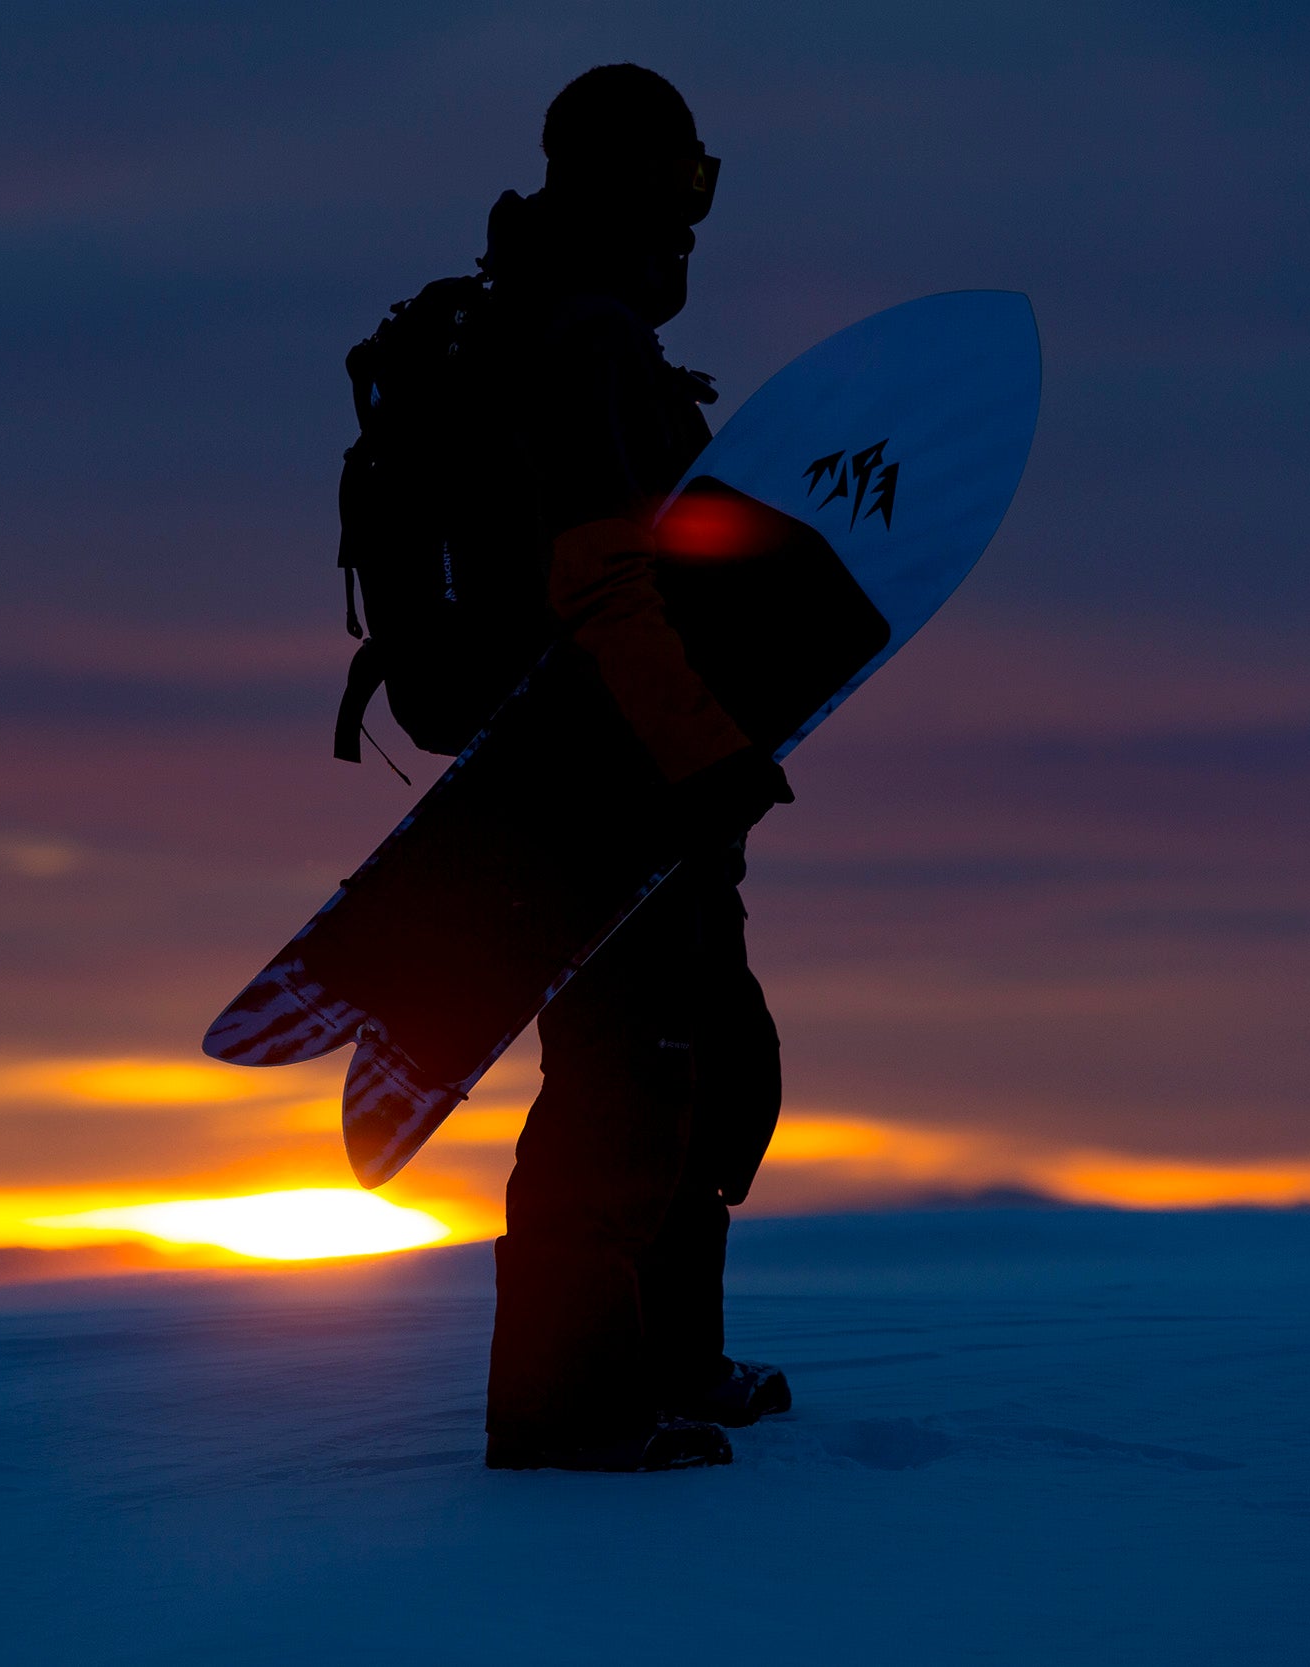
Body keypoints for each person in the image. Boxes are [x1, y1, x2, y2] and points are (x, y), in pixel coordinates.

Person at [469, 64, 796, 1473]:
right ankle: (563, 1407)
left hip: (638, 772)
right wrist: (702, 753)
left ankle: (671, 1360)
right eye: (680, 186)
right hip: (611, 774)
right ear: (619, 182)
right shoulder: (585, 338)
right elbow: (603, 576)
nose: (694, 222)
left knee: (709, 1062)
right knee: (628, 1072)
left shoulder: (586, 331)